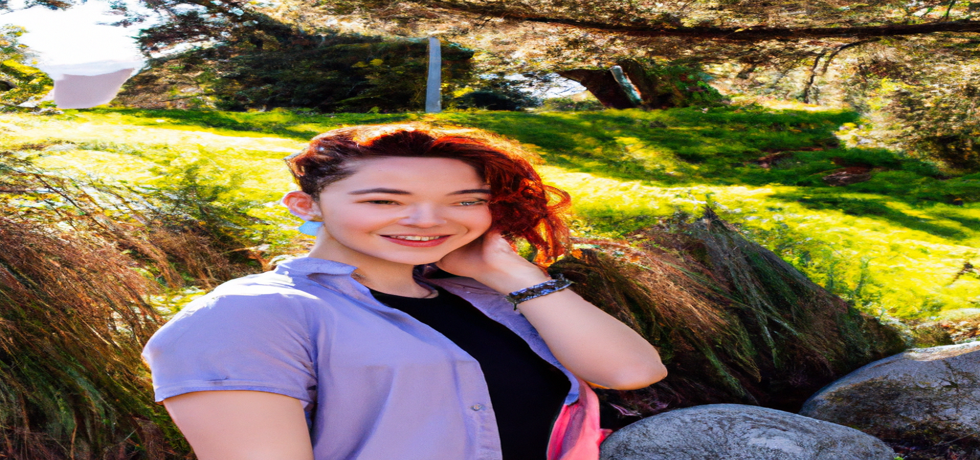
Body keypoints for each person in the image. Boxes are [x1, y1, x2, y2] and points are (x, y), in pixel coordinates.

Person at [142, 123, 667, 460]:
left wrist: (512, 272)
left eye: (465, 201)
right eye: (384, 201)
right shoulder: (249, 315)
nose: (428, 220)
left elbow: (631, 372)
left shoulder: (483, 297)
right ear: (308, 206)